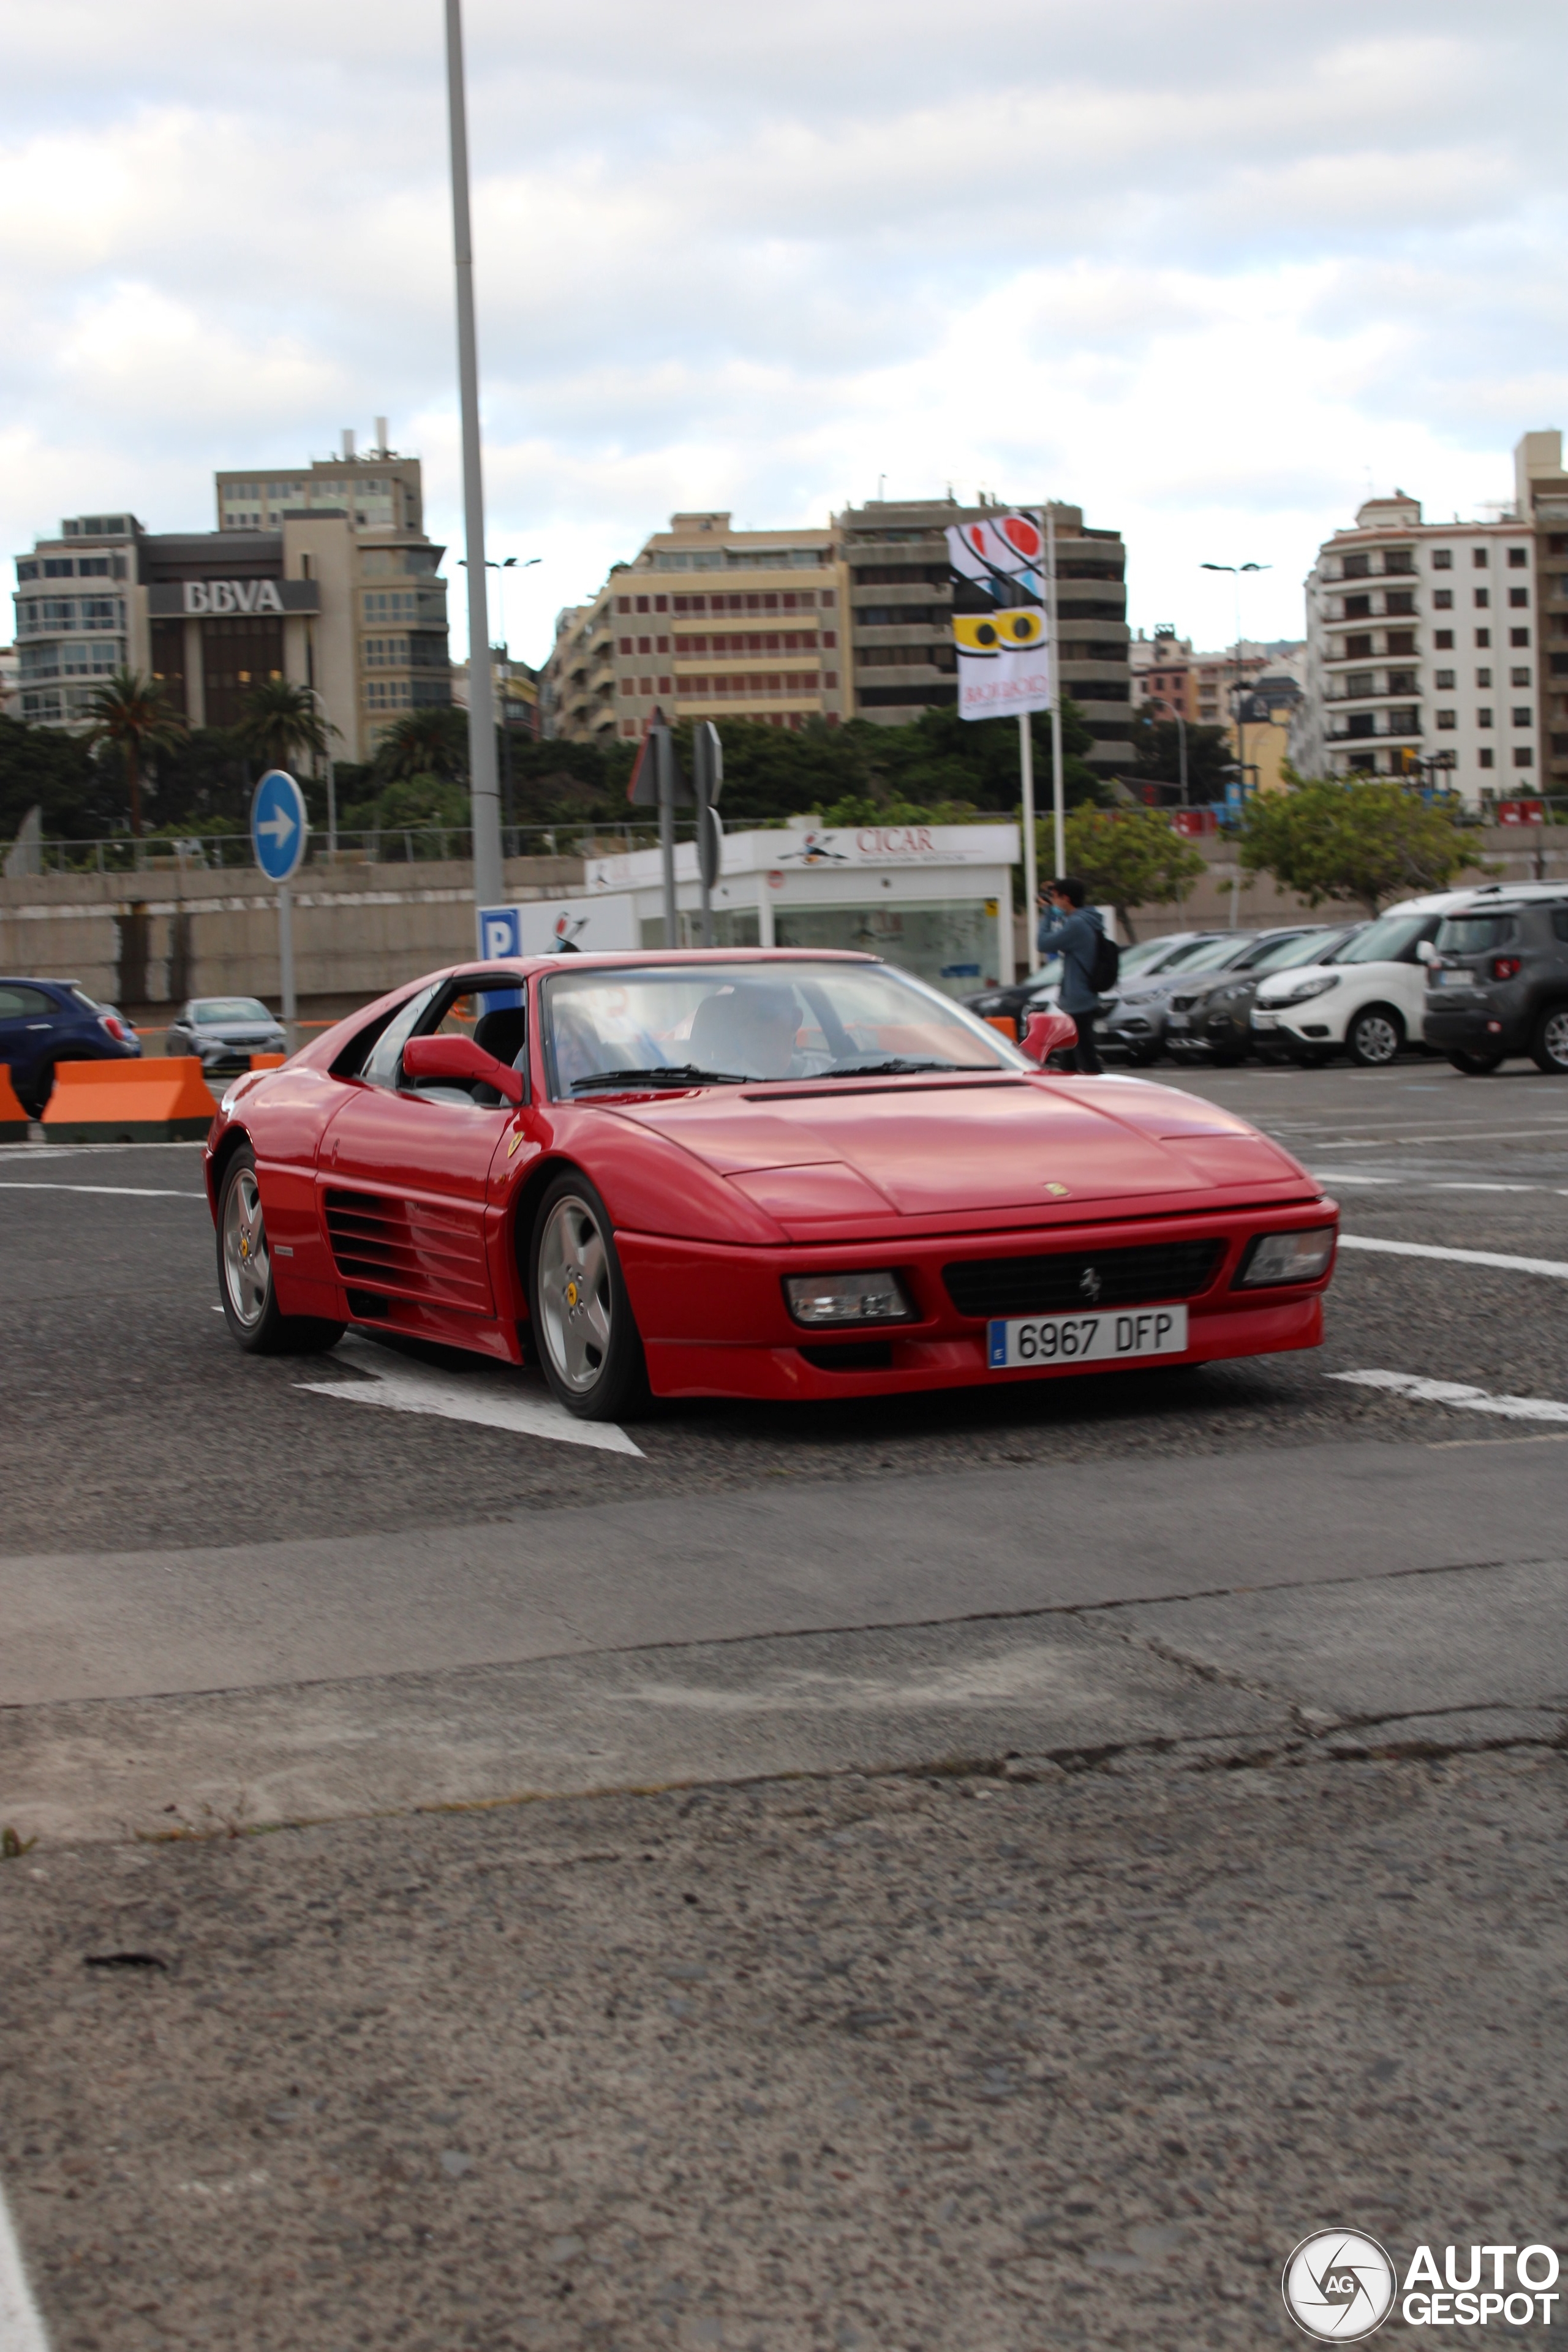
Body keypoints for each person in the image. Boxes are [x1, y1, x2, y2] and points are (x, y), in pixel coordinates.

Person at [1034, 876, 1106, 1074]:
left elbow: (1043, 943)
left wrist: (1047, 913)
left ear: (1066, 898)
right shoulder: (1086, 920)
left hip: (1078, 999)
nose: (1053, 901)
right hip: (1080, 997)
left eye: (1056, 897)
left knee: (1086, 1058)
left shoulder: (1078, 925)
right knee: (1069, 1059)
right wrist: (1055, 889)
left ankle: (1103, 1096)